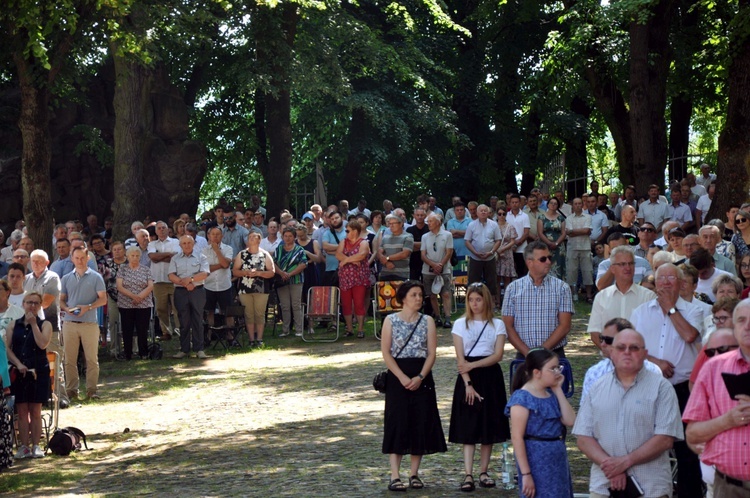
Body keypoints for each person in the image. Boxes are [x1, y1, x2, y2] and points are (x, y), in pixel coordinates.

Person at [573, 329, 684, 498]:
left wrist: (624, 462)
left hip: (651, 488)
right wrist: (612, 467)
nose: (627, 352)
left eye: (634, 348)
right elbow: (583, 437)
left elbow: (665, 439)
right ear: (611, 352)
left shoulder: (662, 388)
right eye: (620, 347)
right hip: (604, 486)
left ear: (645, 353)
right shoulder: (597, 387)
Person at [630, 263, 703, 498]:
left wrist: (671, 309)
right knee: (646, 445)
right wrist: (655, 362)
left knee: (686, 452)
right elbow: (632, 349)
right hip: (648, 387)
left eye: (672, 278)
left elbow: (690, 335)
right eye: (661, 279)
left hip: (683, 390)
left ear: (682, 283)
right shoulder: (640, 312)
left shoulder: (694, 311)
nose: (666, 283)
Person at [380, 281, 446, 492]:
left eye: (420, 295)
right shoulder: (390, 320)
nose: (418, 298)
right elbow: (386, 353)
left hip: (421, 374)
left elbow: (432, 353)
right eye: (414, 295)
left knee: (420, 421)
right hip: (397, 376)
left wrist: (420, 376)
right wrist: (400, 377)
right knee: (397, 422)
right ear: (403, 298)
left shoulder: (428, 321)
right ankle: (395, 474)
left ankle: (414, 473)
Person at [683, 298, 750, 498]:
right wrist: (727, 421)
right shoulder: (713, 368)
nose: (748, 327)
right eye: (741, 320)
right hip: (728, 488)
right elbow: (692, 435)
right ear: (733, 327)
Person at [448, 283, 510, 491]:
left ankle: (484, 471)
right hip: (467, 378)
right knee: (469, 426)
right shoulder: (459, 324)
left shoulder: (497, 325)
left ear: (486, 300)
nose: (474, 304)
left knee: (488, 425)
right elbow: (460, 358)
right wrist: (468, 383)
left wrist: (472, 365)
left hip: (490, 376)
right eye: (471, 300)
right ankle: (468, 474)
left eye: (478, 299)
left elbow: (497, 355)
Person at [505, 348, 576, 498]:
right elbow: (517, 438)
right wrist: (526, 474)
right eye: (552, 368)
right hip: (536, 461)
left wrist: (557, 390)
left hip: (557, 459)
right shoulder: (522, 398)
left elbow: (570, 420)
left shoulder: (550, 395)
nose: (557, 372)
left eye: (558, 367)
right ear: (537, 372)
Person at [503, 241, 574, 358]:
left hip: (554, 354)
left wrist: (540, 352)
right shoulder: (512, 289)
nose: (548, 262)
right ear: (529, 263)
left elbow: (565, 325)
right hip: (523, 356)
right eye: (543, 259)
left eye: (549, 258)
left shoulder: (562, 288)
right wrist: (528, 354)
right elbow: (507, 326)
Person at [6, 292, 52, 459]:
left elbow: (42, 344)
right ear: (23, 304)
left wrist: (33, 325)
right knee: (22, 409)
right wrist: (18, 364)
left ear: (40, 306)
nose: (32, 306)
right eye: (29, 303)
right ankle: (24, 446)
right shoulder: (13, 325)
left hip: (38, 370)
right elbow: (7, 348)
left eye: (36, 303)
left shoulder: (44, 324)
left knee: (35, 409)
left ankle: (36, 445)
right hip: (20, 371)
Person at [60, 247, 107, 400]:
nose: (79, 261)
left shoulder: (96, 277)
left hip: (89, 323)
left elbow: (103, 299)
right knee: (69, 359)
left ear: (87, 258)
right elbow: (61, 299)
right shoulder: (66, 278)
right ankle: (71, 391)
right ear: (72, 259)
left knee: (92, 359)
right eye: (76, 258)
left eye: (82, 258)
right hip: (69, 323)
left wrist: (88, 307)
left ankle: (92, 390)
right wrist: (66, 308)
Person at [587, 247, 655, 350]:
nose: (628, 268)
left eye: (631, 263)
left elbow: (655, 331)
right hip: (611, 358)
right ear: (612, 269)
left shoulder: (649, 296)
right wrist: (612, 354)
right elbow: (595, 333)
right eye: (622, 264)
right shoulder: (602, 297)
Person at [168, 236, 210, 359]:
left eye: (189, 243)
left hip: (197, 291)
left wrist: (191, 280)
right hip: (181, 292)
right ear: (180, 245)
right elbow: (171, 275)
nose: (187, 245)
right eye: (184, 243)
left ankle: (199, 349)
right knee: (183, 321)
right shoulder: (175, 258)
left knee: (198, 320)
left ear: (193, 244)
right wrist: (185, 283)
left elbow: (204, 273)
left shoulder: (201, 257)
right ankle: (184, 349)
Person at [233, 232, 275, 347]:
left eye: (254, 237)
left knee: (259, 313)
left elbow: (272, 272)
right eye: (249, 237)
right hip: (245, 289)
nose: (251, 238)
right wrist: (245, 272)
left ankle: (260, 339)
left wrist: (259, 273)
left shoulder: (265, 254)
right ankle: (251, 339)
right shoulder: (241, 254)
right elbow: (235, 271)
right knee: (248, 314)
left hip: (261, 288)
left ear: (259, 240)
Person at [116, 247, 154, 360]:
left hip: (144, 304)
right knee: (127, 329)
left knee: (142, 329)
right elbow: (119, 286)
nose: (135, 258)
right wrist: (134, 297)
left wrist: (140, 297)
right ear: (127, 257)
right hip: (126, 304)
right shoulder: (122, 270)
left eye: (137, 256)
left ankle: (144, 353)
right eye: (132, 256)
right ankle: (128, 354)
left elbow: (151, 285)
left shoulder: (146, 269)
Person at [335, 220, 370, 338]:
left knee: (359, 303)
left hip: (359, 278)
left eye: (348, 230)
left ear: (355, 231)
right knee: (346, 304)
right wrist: (353, 260)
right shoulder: (343, 242)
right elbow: (338, 254)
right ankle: (349, 329)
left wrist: (346, 260)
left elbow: (362, 255)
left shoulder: (363, 242)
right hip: (345, 278)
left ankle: (360, 328)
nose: (346, 233)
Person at [273, 227, 308, 338]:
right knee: (284, 306)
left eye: (290, 236)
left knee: (296, 305)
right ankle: (285, 330)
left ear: (294, 237)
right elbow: (273, 263)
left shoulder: (299, 249)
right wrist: (281, 273)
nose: (287, 238)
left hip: (296, 280)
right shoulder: (278, 249)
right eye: (285, 236)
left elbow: (303, 264)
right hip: (281, 281)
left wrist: (290, 274)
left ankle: (299, 329)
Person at [421, 213, 454, 328]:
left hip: (444, 269)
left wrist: (440, 265)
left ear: (438, 223)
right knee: (432, 295)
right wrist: (433, 265)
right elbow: (423, 255)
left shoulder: (447, 235)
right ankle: (438, 317)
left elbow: (449, 252)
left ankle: (448, 318)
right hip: (428, 270)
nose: (428, 224)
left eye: (430, 221)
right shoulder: (425, 237)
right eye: (428, 221)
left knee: (445, 293)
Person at [465, 204, 503, 297]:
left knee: (491, 282)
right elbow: (467, 241)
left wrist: (491, 252)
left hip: (490, 257)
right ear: (477, 213)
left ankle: (491, 304)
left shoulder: (494, 224)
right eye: (481, 211)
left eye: (485, 211)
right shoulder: (471, 225)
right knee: (473, 282)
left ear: (488, 213)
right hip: (475, 257)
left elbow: (498, 240)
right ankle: (472, 301)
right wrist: (475, 252)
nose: (483, 212)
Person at [537, 197, 567, 280]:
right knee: (545, 265)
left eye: (555, 204)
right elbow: (540, 232)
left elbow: (564, 232)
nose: (553, 205)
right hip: (545, 245)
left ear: (557, 206)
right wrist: (549, 243)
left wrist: (556, 243)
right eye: (551, 203)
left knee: (559, 266)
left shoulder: (561, 218)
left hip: (559, 246)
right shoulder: (541, 217)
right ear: (548, 204)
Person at [494, 206, 518, 307]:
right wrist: (497, 250)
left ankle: (507, 302)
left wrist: (503, 249)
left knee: (507, 278)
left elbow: (513, 241)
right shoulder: (493, 226)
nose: (501, 216)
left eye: (504, 214)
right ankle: (497, 301)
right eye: (499, 214)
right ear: (497, 215)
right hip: (496, 253)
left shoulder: (510, 226)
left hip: (507, 254)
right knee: (497, 279)